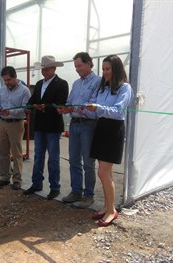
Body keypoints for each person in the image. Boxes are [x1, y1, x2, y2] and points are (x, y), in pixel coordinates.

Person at [84, 55, 133, 227]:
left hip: (113, 129)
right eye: (103, 69)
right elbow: (97, 112)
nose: (104, 72)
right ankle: (107, 206)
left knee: (103, 172)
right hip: (102, 127)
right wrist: (85, 109)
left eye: (108, 69)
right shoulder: (103, 88)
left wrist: (98, 107)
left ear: (116, 69)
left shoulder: (125, 88)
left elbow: (117, 110)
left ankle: (112, 211)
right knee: (105, 172)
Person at [57, 52, 101, 209]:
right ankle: (76, 191)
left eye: (79, 66)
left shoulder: (98, 82)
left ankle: (88, 195)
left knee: (88, 162)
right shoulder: (76, 84)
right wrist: (65, 109)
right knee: (74, 160)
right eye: (75, 66)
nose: (77, 69)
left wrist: (77, 108)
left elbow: (94, 107)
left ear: (89, 63)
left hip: (89, 125)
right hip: (75, 124)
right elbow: (70, 102)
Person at [23, 55, 69, 200]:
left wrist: (45, 106)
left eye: (47, 69)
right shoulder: (38, 84)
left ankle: (54, 187)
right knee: (38, 156)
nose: (44, 71)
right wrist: (29, 107)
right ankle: (37, 183)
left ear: (54, 69)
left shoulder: (62, 84)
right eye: (43, 69)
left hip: (53, 126)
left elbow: (61, 103)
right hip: (40, 126)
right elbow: (32, 100)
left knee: (53, 158)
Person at [0, 66, 31, 190]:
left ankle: (17, 179)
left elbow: (25, 108)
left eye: (9, 80)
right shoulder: (1, 90)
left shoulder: (25, 91)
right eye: (5, 80)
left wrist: (10, 112)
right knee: (2, 151)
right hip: (2, 123)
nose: (7, 83)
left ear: (15, 77)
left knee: (16, 153)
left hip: (16, 123)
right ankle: (4, 177)